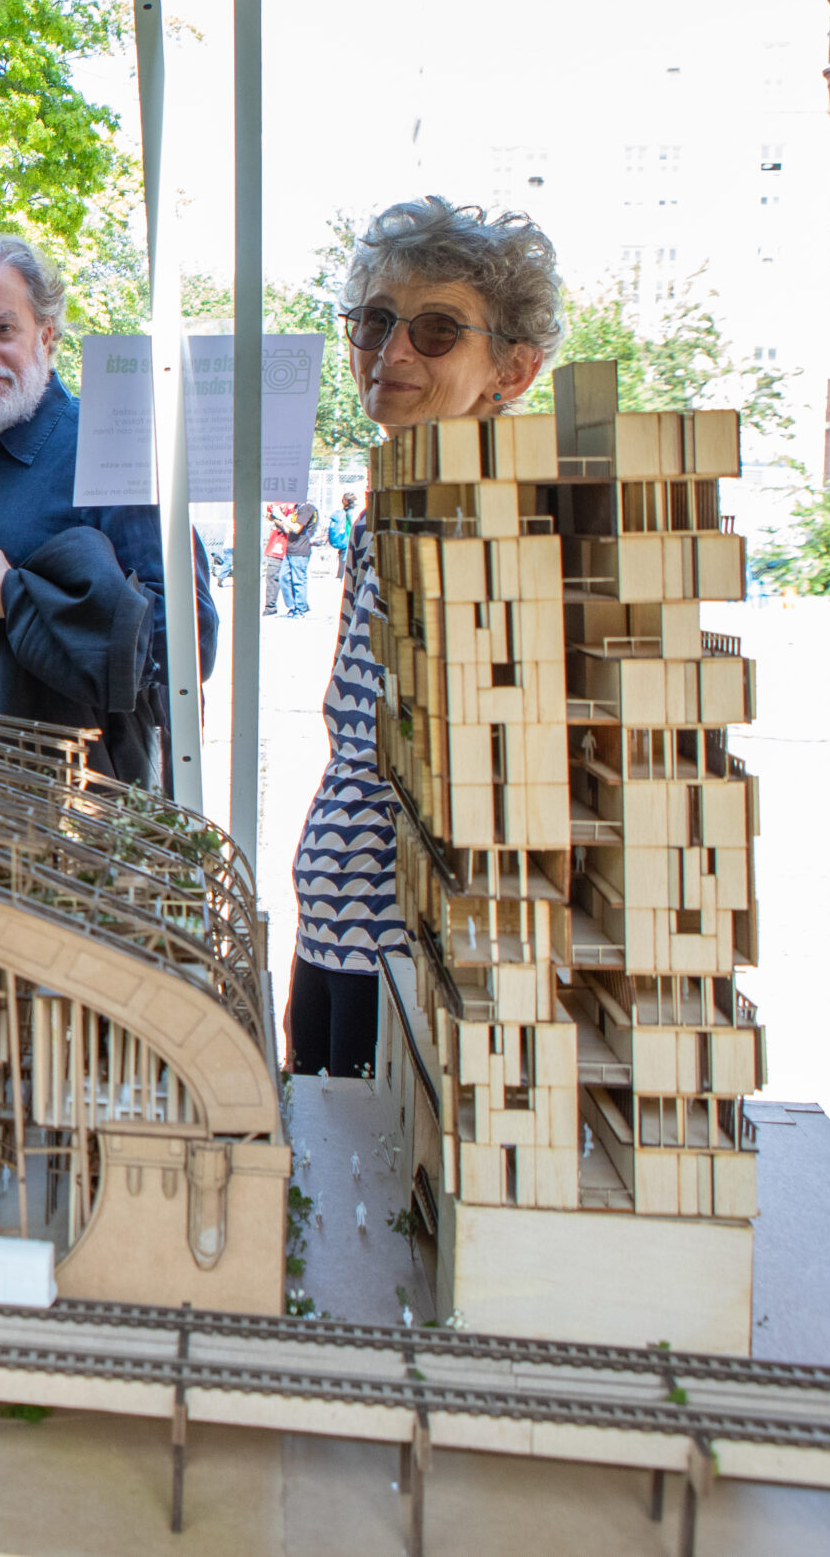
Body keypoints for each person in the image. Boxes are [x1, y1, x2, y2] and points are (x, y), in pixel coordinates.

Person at [288, 196, 561, 1078]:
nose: (392, 352)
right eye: (374, 321)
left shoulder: (498, 527)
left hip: (410, 959)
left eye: (437, 331)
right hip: (338, 933)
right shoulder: (393, 502)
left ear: (511, 373)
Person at [0, 234, 218, 786]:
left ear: (47, 336)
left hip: (83, 831)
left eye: (2, 329)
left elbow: (187, 640)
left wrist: (14, 597)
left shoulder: (109, 448)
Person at [282, 497, 319, 616]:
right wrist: (277, 518)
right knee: (284, 578)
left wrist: (281, 517)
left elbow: (297, 528)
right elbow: (288, 529)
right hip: (290, 549)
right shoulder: (297, 508)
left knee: (298, 579)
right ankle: (292, 606)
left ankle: (300, 608)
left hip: (300, 550)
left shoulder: (307, 507)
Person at [324, 491, 354, 577]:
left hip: (342, 541)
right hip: (348, 541)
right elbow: (353, 527)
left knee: (342, 562)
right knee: (347, 564)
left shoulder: (341, 513)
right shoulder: (351, 513)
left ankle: (340, 578)